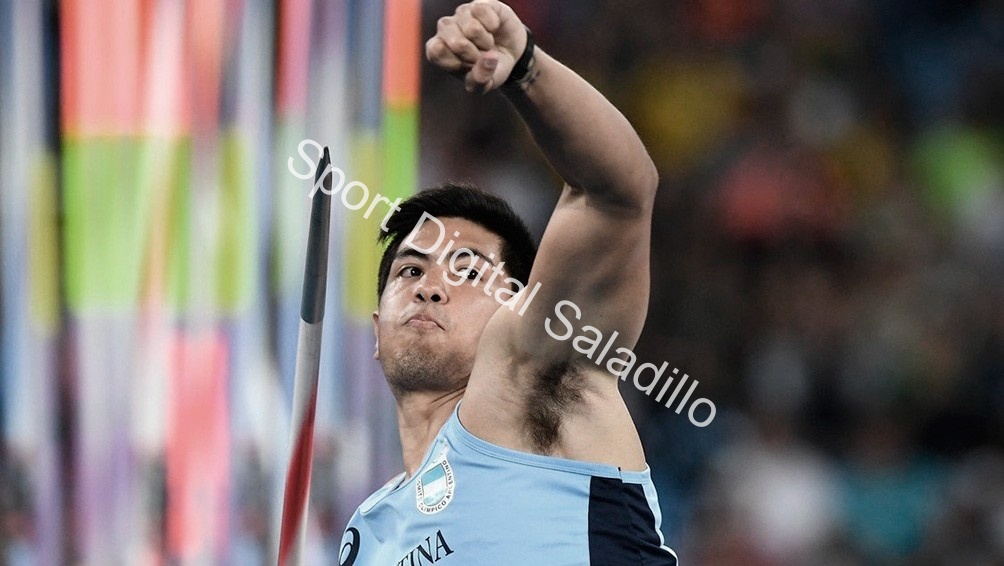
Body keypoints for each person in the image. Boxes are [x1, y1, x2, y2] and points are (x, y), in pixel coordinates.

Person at [338, 1, 677, 563]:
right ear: (376, 330)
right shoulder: (367, 535)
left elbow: (616, 193)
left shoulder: (533, 376)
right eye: (410, 270)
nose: (429, 287)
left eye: (468, 270)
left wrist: (524, 68)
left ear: (517, 305)